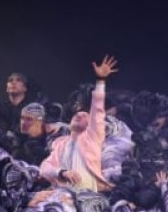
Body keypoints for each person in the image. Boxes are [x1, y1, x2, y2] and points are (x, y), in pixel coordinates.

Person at [39, 55, 118, 193]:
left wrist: (100, 81)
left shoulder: (92, 138)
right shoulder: (60, 144)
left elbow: (98, 109)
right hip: (62, 196)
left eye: (85, 116)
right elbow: (44, 168)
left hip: (87, 195)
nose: (79, 115)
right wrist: (62, 172)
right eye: (77, 114)